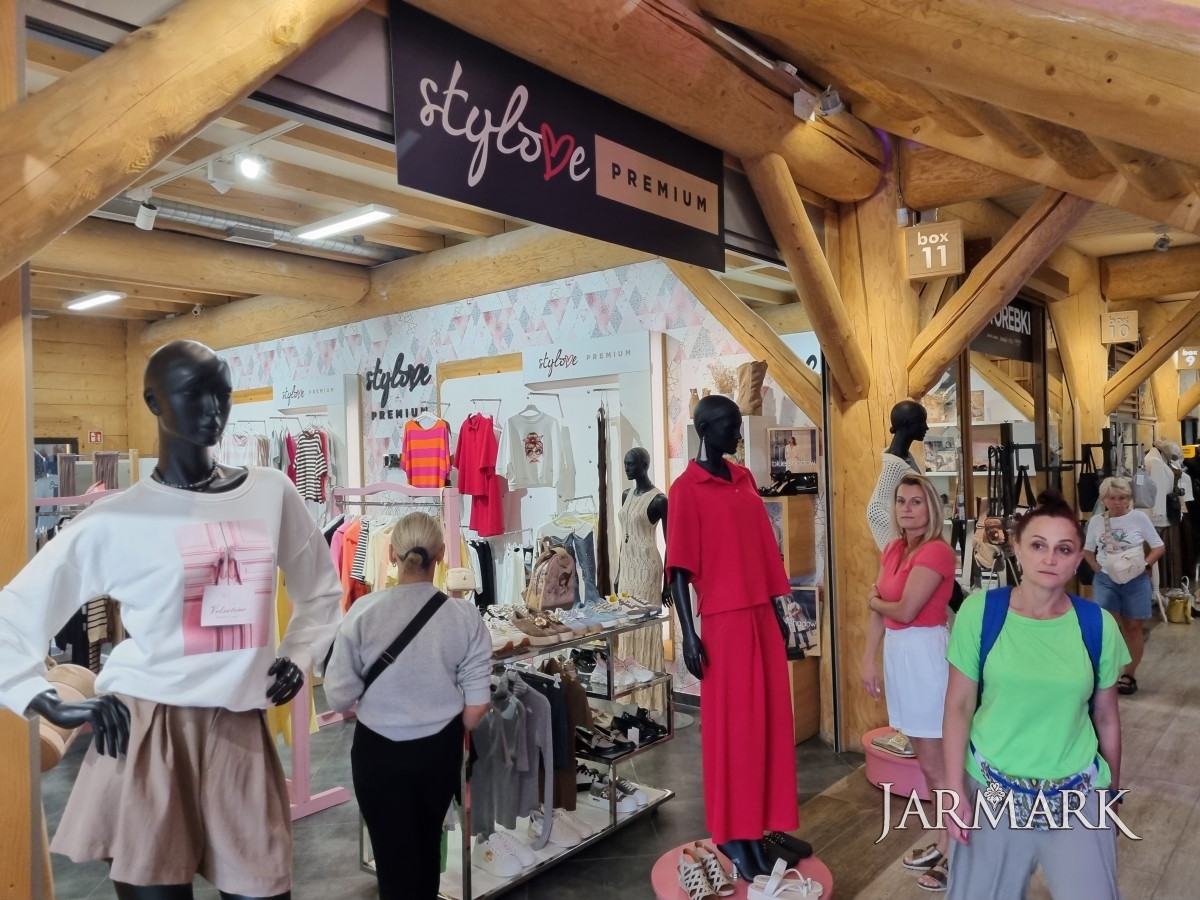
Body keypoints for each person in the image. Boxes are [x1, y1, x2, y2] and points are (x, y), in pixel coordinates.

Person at [0, 340, 343, 900]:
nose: (213, 409)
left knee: (263, 885)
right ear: (153, 402)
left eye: (222, 394)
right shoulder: (114, 519)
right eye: (193, 393)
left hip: (239, 725)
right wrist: (43, 698)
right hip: (145, 730)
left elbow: (322, 591)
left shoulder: (270, 492)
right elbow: (12, 615)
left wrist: (298, 655)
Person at [943, 491, 1129, 900]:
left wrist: (1112, 792)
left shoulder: (1097, 624)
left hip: (1077, 790)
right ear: (1017, 548)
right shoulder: (980, 613)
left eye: (1064, 549)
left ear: (1078, 558)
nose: (1050, 559)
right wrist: (954, 789)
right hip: (992, 786)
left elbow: (1106, 716)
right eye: (1038, 545)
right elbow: (958, 706)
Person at [325, 512, 492, 900]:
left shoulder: (363, 612)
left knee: (391, 856)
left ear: (391, 554)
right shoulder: (464, 616)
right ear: (442, 554)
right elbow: (477, 706)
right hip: (438, 751)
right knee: (427, 847)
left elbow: (338, 696)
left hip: (377, 751)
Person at [666, 395, 798, 881]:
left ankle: (765, 825)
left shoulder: (742, 479)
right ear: (705, 429)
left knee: (771, 723)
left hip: (761, 614)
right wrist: (688, 634)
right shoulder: (686, 490)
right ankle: (734, 833)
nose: (738, 434)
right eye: (730, 426)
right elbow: (678, 569)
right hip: (724, 623)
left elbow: (763, 549)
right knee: (736, 732)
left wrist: (780, 611)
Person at [862, 472, 957, 892]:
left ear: (930, 507)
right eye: (901, 501)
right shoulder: (894, 548)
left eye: (916, 502)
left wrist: (875, 600)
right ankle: (945, 840)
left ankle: (957, 851)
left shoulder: (936, 551)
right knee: (927, 761)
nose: (907, 508)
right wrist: (869, 660)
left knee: (939, 765)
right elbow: (882, 612)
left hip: (925, 656)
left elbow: (903, 609)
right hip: (899, 655)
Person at [1082, 476, 1163, 696]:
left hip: (1135, 580)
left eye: (1122, 498)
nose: (1118, 502)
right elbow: (1088, 550)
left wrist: (1146, 564)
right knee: (1107, 627)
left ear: (1128, 499)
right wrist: (1098, 569)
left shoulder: (1139, 518)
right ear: (1103, 500)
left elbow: (1158, 546)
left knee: (1132, 628)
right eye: (1112, 498)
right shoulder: (1097, 521)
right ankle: (1104, 671)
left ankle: (1129, 674)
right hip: (1106, 580)